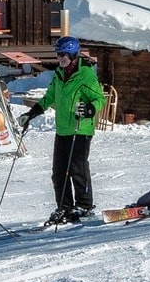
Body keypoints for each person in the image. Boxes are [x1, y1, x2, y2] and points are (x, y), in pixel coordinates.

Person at [18, 36, 106, 224]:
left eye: (64, 55)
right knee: (59, 171)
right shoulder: (58, 73)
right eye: (58, 55)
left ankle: (84, 205)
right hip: (63, 129)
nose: (60, 58)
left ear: (74, 55)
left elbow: (99, 99)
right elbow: (49, 97)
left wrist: (89, 109)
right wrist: (31, 114)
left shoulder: (86, 74)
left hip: (80, 128)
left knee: (77, 168)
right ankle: (65, 207)